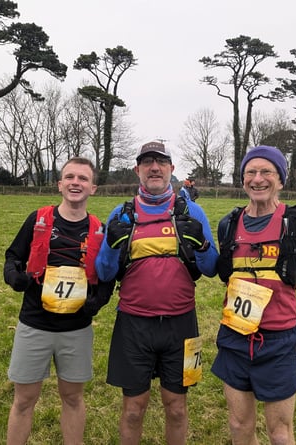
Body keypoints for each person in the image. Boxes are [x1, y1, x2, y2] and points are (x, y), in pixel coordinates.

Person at [211, 145, 296, 445]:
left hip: (279, 342)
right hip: (234, 337)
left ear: (280, 179)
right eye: (251, 172)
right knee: (239, 425)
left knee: (279, 433)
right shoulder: (228, 224)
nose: (258, 179)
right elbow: (227, 273)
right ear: (243, 179)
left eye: (267, 171)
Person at [95, 141, 219, 445]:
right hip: (133, 325)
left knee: (176, 408)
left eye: (161, 162)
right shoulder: (121, 212)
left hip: (182, 325)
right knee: (133, 410)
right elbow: (103, 272)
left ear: (171, 169)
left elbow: (213, 267)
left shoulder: (192, 210)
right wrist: (111, 248)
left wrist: (201, 245)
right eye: (147, 162)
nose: (154, 167)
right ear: (137, 170)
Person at [3, 157, 115, 445]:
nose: (75, 182)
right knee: (24, 400)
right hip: (34, 324)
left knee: (73, 398)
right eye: (70, 177)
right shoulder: (38, 219)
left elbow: (107, 277)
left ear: (94, 188)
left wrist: (98, 301)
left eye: (82, 179)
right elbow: (13, 256)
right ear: (60, 184)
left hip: (76, 329)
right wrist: (13, 276)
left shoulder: (100, 230)